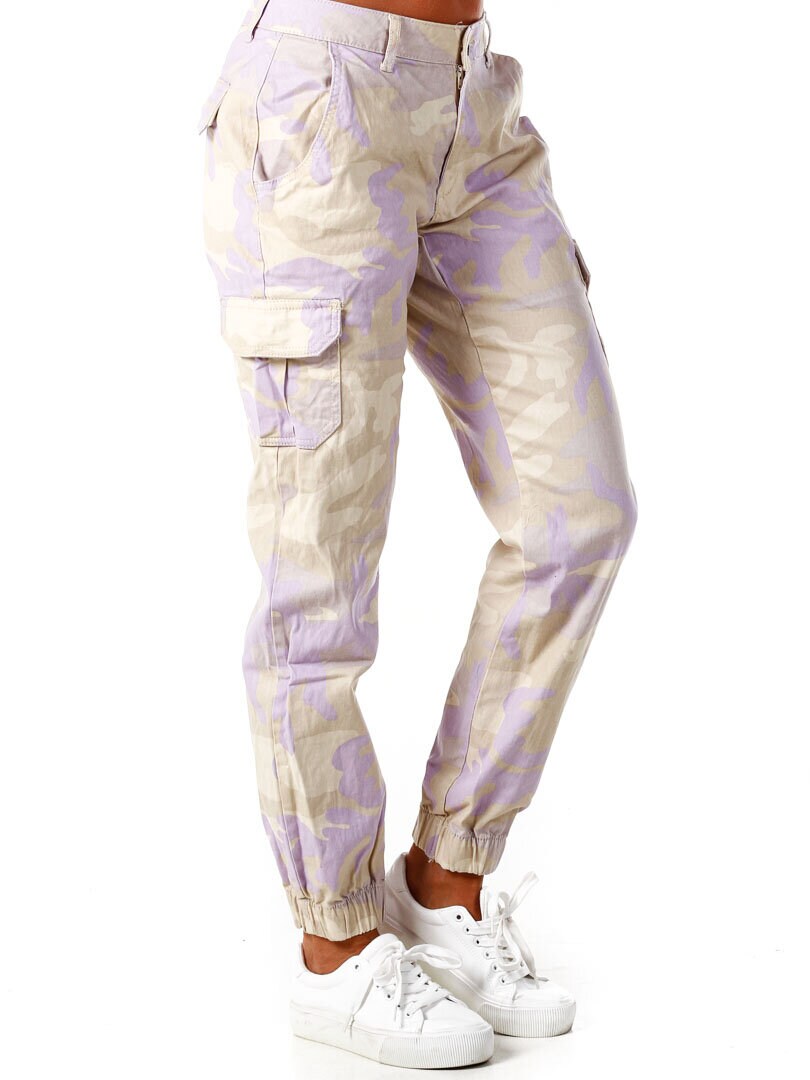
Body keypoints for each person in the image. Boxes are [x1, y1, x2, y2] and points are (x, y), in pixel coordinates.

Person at [198, 0, 637, 1066]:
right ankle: (336, 941)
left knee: (579, 514)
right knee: (322, 575)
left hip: (474, 109)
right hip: (323, 97)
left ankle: (445, 878)